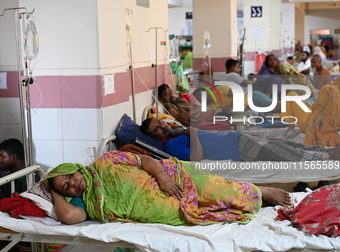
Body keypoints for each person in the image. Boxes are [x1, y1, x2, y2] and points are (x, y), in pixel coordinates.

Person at [45, 150, 292, 225]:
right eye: (65, 186)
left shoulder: (105, 161)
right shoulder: (85, 201)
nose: (72, 183)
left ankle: (260, 191)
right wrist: (54, 190)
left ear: (75, 167)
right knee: (207, 209)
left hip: (170, 177)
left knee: (214, 190)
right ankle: (255, 197)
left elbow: (144, 161)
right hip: (161, 205)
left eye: (69, 176)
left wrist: (163, 178)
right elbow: (69, 217)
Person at [140, 118, 340, 162]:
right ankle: (327, 157)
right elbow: (197, 160)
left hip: (238, 139)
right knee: (287, 154)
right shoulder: (172, 145)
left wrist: (185, 130)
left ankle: (327, 150)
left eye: (160, 122)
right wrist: (192, 133)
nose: (162, 126)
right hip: (239, 150)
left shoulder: (177, 132)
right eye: (156, 129)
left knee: (286, 144)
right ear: (153, 137)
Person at [281, 76, 340, 147]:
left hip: (311, 123)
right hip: (317, 117)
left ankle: (291, 128)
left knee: (291, 95)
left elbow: (319, 104)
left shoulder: (330, 90)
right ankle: (290, 127)